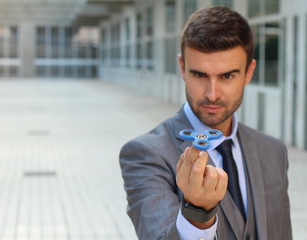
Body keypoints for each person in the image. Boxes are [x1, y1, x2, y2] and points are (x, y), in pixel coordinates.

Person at [119, 6, 292, 240]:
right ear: (182, 68)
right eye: (200, 75)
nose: (212, 94)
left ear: (249, 72)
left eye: (227, 76)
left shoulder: (273, 151)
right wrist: (196, 213)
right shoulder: (145, 154)